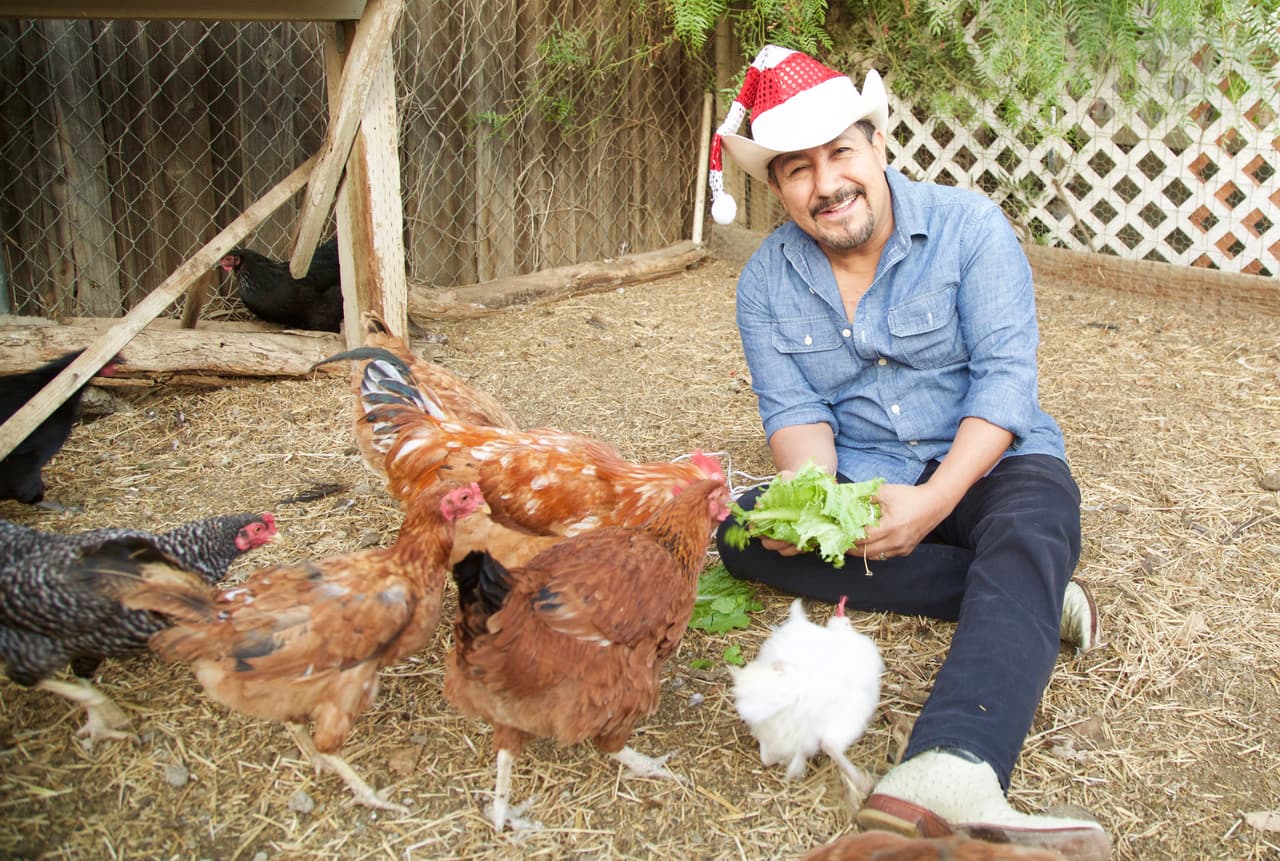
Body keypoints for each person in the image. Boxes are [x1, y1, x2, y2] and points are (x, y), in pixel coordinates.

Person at [707, 46, 1111, 861]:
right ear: (776, 186)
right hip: (866, 477)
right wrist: (815, 507)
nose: (826, 185)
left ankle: (949, 768)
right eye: (796, 170)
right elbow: (796, 416)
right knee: (741, 535)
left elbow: (1006, 384)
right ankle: (1028, 596)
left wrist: (932, 503)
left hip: (993, 462)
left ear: (878, 146)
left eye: (840, 153)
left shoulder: (969, 228)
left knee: (1033, 521)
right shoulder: (764, 284)